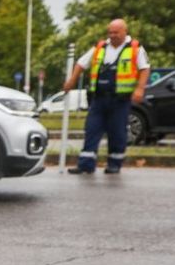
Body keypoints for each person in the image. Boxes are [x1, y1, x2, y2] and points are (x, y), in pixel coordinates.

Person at [63, 19, 150, 174]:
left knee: (117, 132)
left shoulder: (135, 48)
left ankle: (114, 164)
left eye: (116, 32)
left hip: (120, 99)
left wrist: (140, 88)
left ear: (124, 31)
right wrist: (71, 81)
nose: (112, 35)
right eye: (110, 32)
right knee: (92, 129)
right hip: (99, 98)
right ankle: (86, 165)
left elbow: (145, 68)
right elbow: (81, 64)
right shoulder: (100, 47)